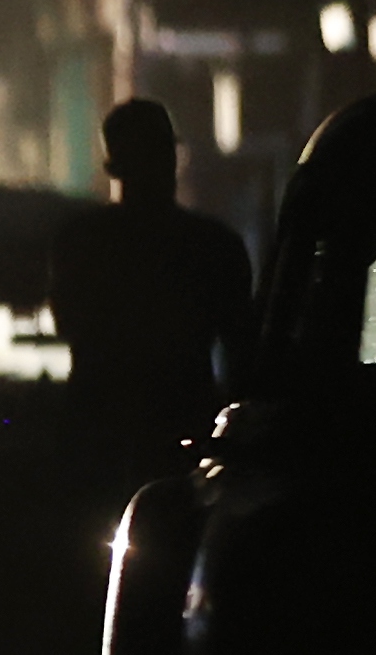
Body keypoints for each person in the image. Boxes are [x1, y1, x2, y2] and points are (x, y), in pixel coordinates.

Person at [50, 97, 257, 479]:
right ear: (174, 159)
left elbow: (70, 323)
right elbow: (241, 350)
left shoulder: (81, 243)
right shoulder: (213, 245)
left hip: (102, 437)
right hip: (184, 434)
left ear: (113, 166)